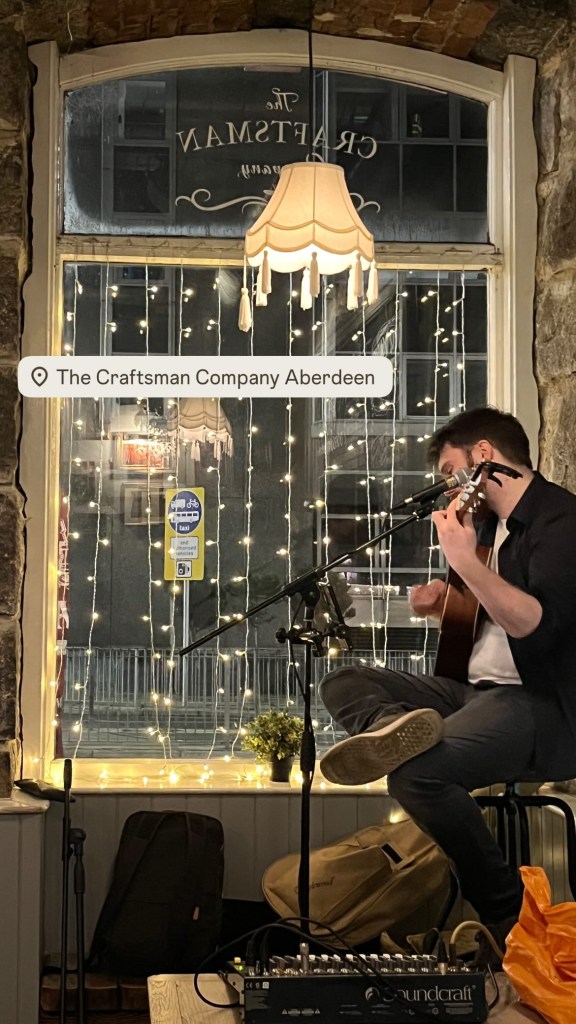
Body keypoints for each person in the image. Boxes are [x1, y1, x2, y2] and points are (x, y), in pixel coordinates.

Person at [319, 406, 576, 962]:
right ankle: (393, 728)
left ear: (483, 456)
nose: (447, 487)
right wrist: (445, 608)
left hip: (538, 705)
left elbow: (534, 624)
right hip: (472, 691)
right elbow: (487, 625)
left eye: (447, 471)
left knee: (416, 776)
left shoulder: (560, 521)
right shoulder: (486, 529)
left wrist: (463, 561)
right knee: (343, 679)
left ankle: (508, 915)